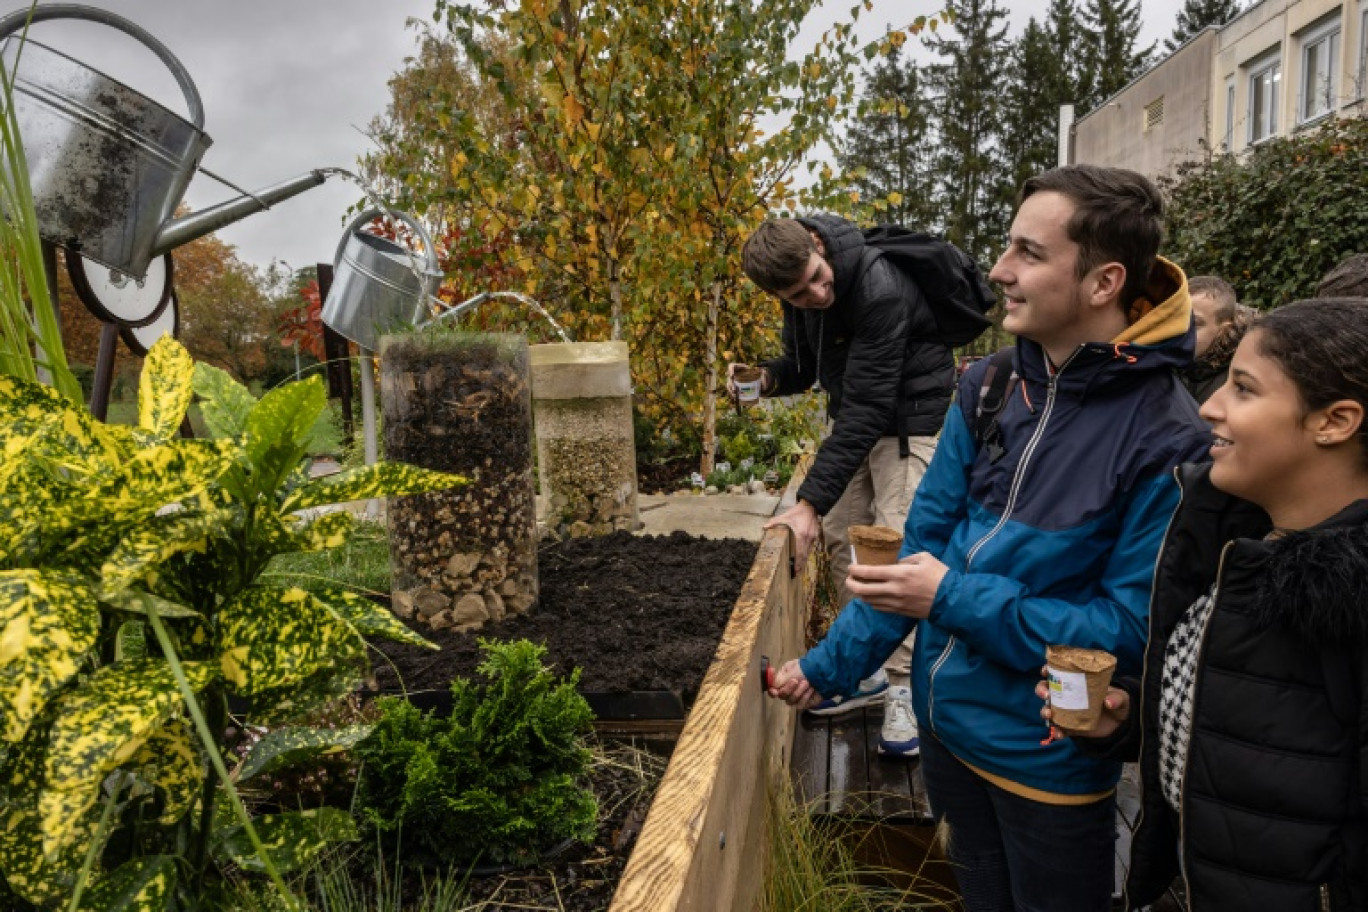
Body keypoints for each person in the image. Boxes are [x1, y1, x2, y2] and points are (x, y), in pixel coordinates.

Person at [768, 165, 1212, 911]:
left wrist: (951, 597)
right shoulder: (990, 388)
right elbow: (921, 555)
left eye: (1029, 254)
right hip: (949, 741)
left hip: (1046, 766)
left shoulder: (1166, 438)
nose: (1000, 271)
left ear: (1103, 282)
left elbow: (1129, 633)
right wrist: (827, 668)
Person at [1043, 298, 1368, 911]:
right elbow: (1252, 733)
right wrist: (1131, 721)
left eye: (1242, 389)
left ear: (1335, 421)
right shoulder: (1231, 544)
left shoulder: (1347, 602)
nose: (1207, 405)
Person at [732, 215, 957, 756]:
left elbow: (871, 405)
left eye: (815, 277)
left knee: (897, 548)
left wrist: (806, 500)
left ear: (817, 244)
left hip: (909, 422)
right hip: (856, 417)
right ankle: (865, 673)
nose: (816, 293)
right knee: (842, 541)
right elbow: (805, 368)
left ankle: (904, 687)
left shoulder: (878, 286)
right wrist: (765, 378)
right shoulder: (799, 292)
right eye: (797, 293)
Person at [1180, 275, 1247, 404]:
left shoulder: (1242, 377)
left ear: (1224, 330)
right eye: (1177, 319)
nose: (1181, 331)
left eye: (1195, 323)